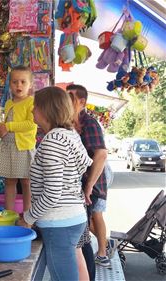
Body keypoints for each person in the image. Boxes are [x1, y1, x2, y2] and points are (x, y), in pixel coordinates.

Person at [18, 86, 93, 281]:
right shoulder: (69, 135)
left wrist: (28, 217)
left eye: (35, 106)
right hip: (74, 216)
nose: (32, 110)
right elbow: (84, 164)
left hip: (59, 222)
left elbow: (52, 193)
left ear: (45, 109)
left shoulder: (53, 141)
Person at [67, 84, 110, 268]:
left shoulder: (89, 123)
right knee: (87, 220)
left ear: (82, 102)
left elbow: (101, 155)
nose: (66, 100)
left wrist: (90, 185)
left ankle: (102, 252)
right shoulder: (69, 121)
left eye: (71, 97)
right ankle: (105, 246)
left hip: (95, 180)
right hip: (82, 182)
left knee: (96, 216)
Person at [0, 66, 37, 212]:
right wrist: (1, 129)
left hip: (23, 147)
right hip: (8, 146)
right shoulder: (8, 103)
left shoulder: (31, 103)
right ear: (9, 84)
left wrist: (9, 126)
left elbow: (31, 124)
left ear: (30, 84)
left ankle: (28, 215)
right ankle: (9, 214)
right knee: (9, 181)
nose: (19, 85)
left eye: (23, 82)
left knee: (26, 181)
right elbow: (7, 126)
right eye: (15, 82)